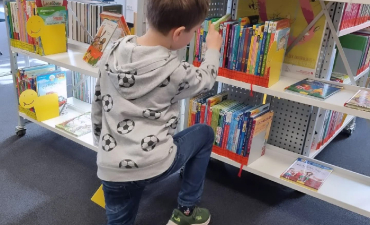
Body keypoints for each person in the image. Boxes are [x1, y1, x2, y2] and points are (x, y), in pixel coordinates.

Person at [91, 0, 223, 224]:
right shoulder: (176, 71)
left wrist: (102, 146)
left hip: (111, 166)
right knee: (204, 134)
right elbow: (207, 79)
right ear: (179, 33)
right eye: (194, 31)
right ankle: (187, 210)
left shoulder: (111, 50)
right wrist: (213, 48)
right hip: (155, 162)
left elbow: (97, 104)